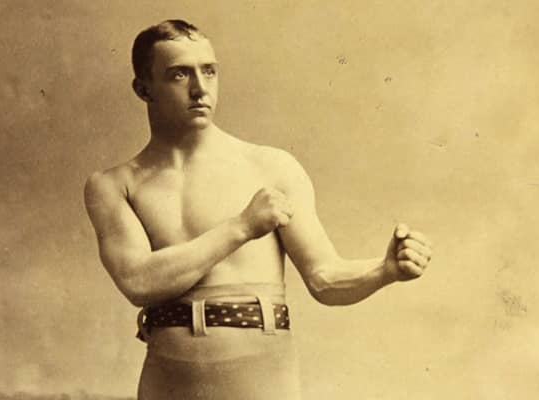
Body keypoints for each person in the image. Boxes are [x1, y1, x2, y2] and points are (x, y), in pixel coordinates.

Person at [84, 19, 432, 400]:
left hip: (260, 377)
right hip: (166, 379)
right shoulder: (115, 185)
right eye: (179, 74)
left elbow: (324, 279)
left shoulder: (270, 167)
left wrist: (384, 271)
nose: (200, 89)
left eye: (209, 71)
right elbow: (138, 281)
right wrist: (241, 227)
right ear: (143, 89)